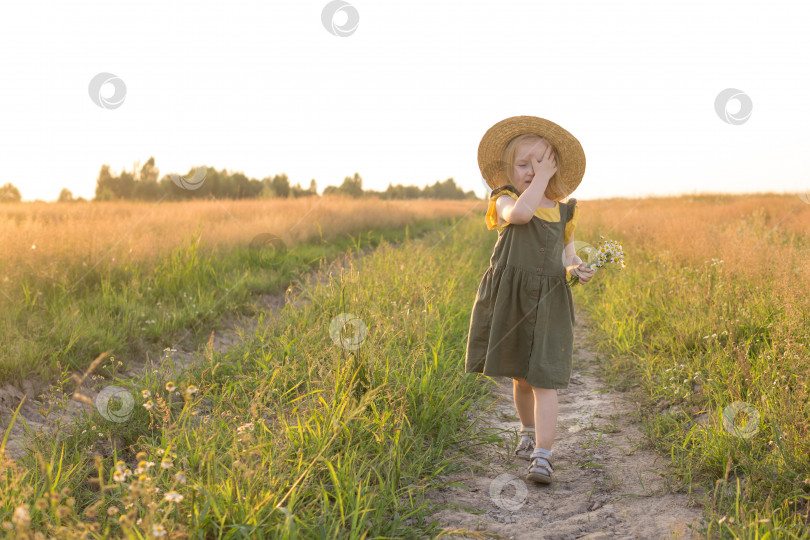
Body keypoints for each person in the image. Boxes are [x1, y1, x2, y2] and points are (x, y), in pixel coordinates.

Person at [465, 116, 596, 484]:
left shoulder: (564, 210)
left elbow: (567, 258)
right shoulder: (504, 199)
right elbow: (521, 215)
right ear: (509, 169)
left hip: (550, 300)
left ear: (554, 168)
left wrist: (577, 269)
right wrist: (538, 182)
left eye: (540, 165)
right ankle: (525, 430)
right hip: (514, 299)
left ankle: (543, 454)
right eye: (524, 165)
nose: (531, 172)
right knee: (521, 378)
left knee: (544, 379)